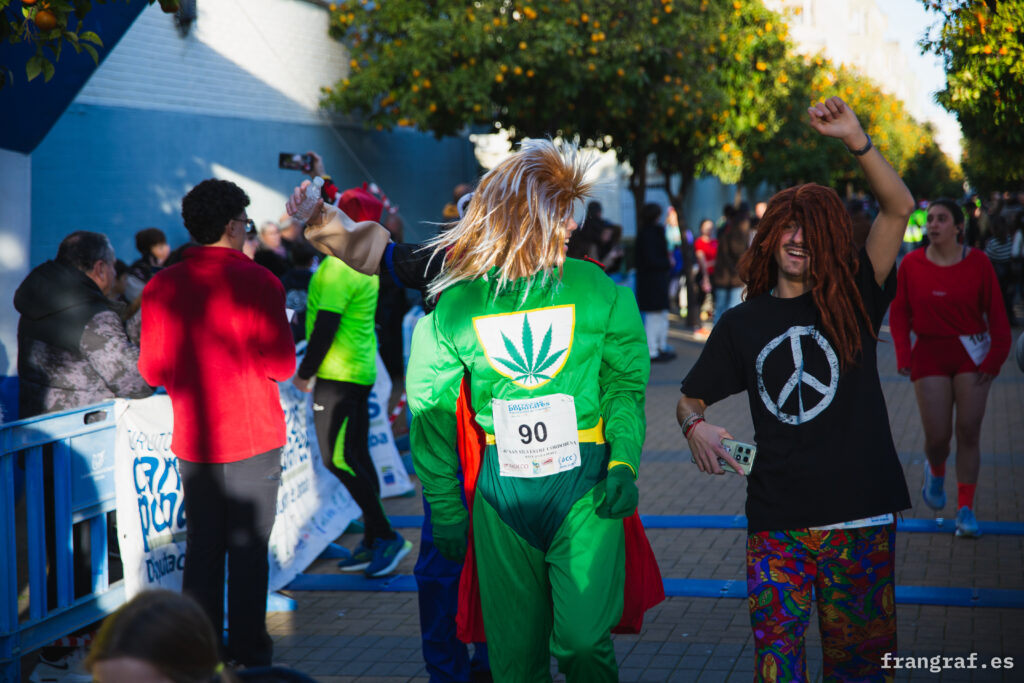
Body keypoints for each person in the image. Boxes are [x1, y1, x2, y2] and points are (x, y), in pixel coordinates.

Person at [677, 96, 915, 681]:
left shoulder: (857, 295)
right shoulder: (743, 322)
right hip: (777, 523)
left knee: (861, 669)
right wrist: (694, 425)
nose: (798, 238)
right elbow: (689, 397)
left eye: (812, 229)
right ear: (770, 235)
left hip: (859, 520)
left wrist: (857, 140)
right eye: (788, 225)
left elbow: (899, 206)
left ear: (831, 238)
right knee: (777, 669)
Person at [406, 139, 651, 682]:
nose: (569, 227)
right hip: (501, 493)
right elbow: (431, 413)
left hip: (584, 486)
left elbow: (625, 384)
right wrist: (445, 506)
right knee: (514, 664)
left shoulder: (593, 286)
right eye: (558, 215)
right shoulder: (459, 303)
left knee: (584, 643)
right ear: (524, 218)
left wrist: (624, 461)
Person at [139, 179, 295, 667]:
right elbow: (283, 367)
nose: (248, 231)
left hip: (196, 439)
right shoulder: (260, 282)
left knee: (204, 550)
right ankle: (251, 653)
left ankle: (199, 657)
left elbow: (152, 371)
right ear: (232, 225)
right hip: (254, 436)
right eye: (246, 223)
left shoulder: (161, 285)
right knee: (248, 551)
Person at [291, 184, 412, 579]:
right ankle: (376, 539)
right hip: (358, 372)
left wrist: (304, 374)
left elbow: (325, 327)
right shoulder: (362, 262)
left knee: (338, 459)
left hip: (337, 376)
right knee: (356, 456)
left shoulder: (337, 267)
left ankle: (385, 534)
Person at [889, 198, 1012, 538]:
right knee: (939, 436)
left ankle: (965, 509)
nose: (933, 224)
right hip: (929, 352)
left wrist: (994, 359)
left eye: (942, 219)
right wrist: (903, 354)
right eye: (930, 219)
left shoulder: (980, 263)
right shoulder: (911, 264)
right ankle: (937, 468)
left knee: (969, 431)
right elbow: (899, 313)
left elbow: (998, 318)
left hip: (972, 354)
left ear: (958, 227)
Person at [14, 230, 153, 417]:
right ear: (100, 269)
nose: (114, 273)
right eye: (113, 266)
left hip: (38, 433)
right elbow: (136, 384)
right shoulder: (92, 315)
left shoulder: (40, 299)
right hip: (87, 434)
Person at [635, 203, 676, 363]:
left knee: (658, 316)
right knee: (656, 316)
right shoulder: (653, 233)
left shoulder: (645, 233)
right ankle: (654, 348)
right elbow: (652, 259)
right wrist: (666, 263)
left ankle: (658, 347)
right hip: (654, 281)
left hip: (651, 282)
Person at [710, 212, 752, 324]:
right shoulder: (739, 238)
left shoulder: (724, 234)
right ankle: (723, 339)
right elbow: (738, 253)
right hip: (734, 278)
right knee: (732, 311)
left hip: (724, 278)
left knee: (721, 310)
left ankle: (718, 338)